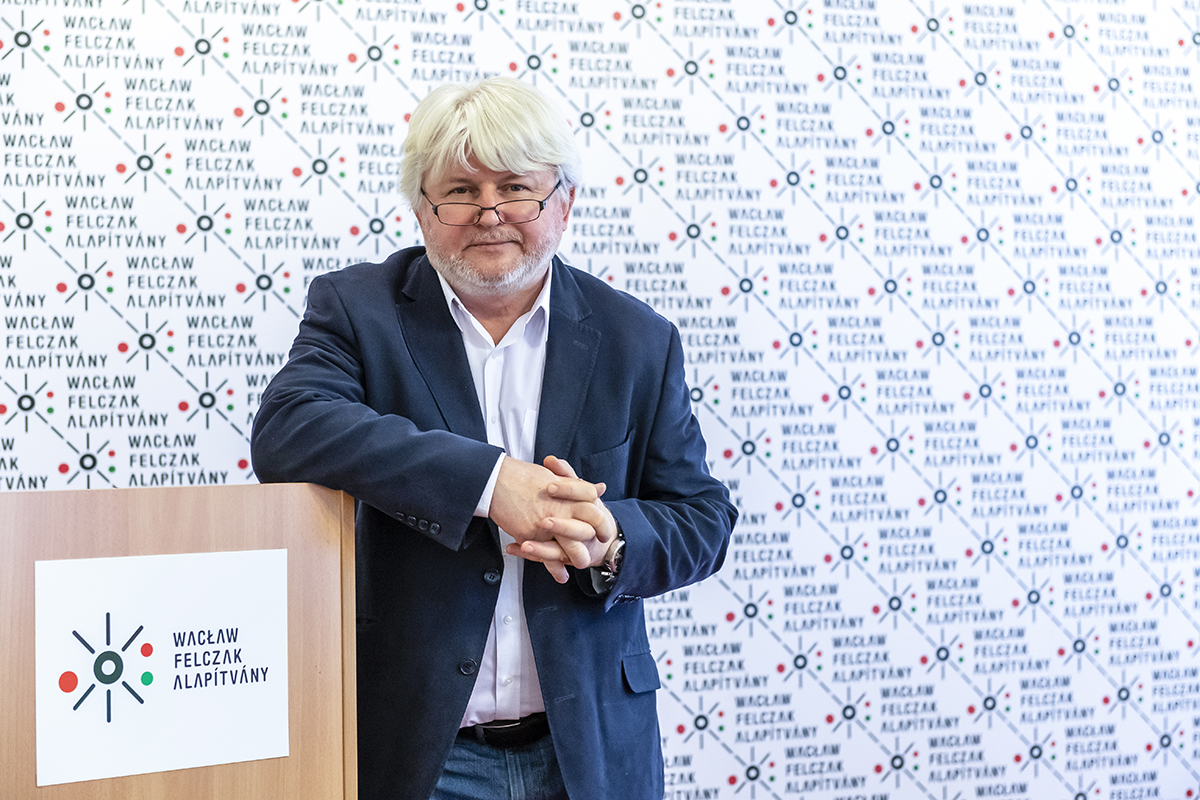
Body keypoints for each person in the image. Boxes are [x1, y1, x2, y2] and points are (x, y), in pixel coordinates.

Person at [250, 77, 736, 800]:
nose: (489, 213)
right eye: (459, 190)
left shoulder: (638, 339)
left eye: (515, 188)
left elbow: (702, 519)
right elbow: (289, 427)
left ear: (563, 204)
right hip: (416, 748)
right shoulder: (357, 308)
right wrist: (491, 483)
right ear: (422, 209)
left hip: (588, 752)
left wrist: (612, 539)